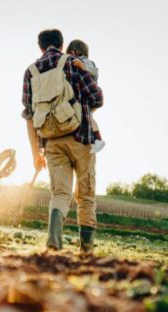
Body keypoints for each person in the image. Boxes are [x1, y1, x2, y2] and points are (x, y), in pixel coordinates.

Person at [22, 29, 104, 254]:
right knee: (85, 195)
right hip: (81, 136)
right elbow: (97, 97)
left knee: (60, 194)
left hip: (51, 142)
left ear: (40, 47)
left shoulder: (30, 72)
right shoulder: (73, 63)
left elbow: (29, 116)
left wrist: (35, 154)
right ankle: (86, 250)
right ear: (62, 44)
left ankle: (54, 242)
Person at [66, 39, 105, 154]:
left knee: (89, 118)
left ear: (74, 51)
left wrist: (82, 66)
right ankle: (96, 138)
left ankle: (98, 139)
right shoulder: (82, 61)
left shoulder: (87, 62)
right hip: (86, 97)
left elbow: (94, 71)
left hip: (89, 97)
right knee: (88, 118)